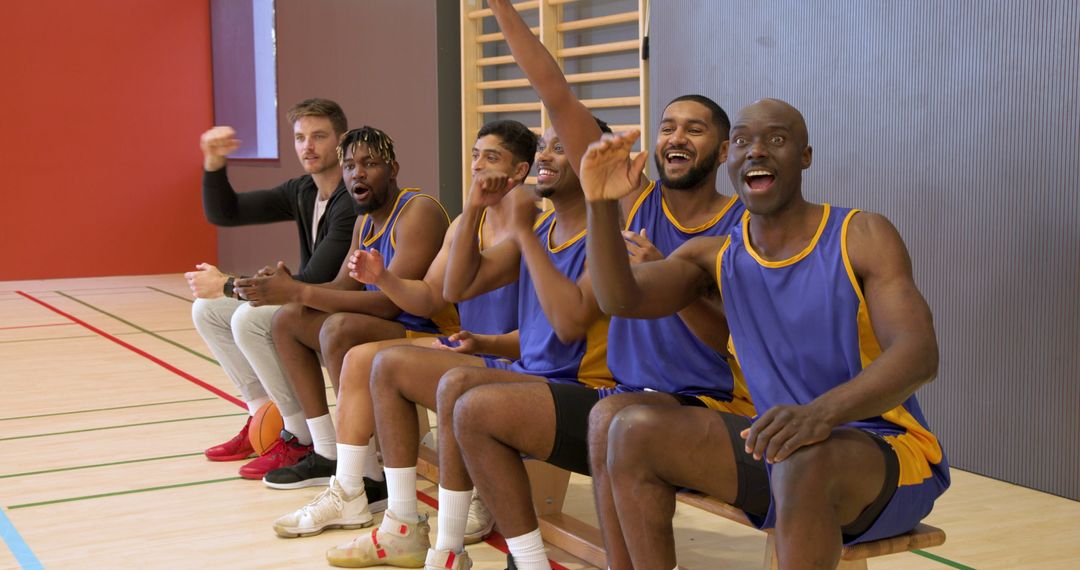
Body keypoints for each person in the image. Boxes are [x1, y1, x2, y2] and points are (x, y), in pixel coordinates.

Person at [447, 4, 755, 569]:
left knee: (614, 423)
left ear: (724, 148)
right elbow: (556, 93)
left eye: (695, 127)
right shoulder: (632, 200)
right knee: (555, 415)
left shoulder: (740, 229)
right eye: (667, 127)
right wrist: (500, 9)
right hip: (626, 392)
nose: (676, 136)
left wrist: (674, 281)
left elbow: (727, 337)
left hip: (708, 399)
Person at [582, 99, 950, 569]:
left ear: (805, 156)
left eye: (775, 139)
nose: (755, 150)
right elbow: (621, 299)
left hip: (884, 452)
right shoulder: (711, 256)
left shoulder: (860, 234)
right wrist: (599, 205)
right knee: (631, 431)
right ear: (728, 159)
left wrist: (820, 414)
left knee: (804, 461)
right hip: (778, 443)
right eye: (741, 141)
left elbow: (919, 353)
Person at [323, 120, 613, 570]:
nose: (546, 156)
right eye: (545, 147)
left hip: (570, 383)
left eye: (562, 146)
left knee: (455, 386)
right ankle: (410, 529)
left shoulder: (587, 233)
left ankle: (457, 541)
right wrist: (474, 210)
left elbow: (568, 326)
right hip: (508, 360)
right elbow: (455, 289)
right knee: (386, 366)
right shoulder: (531, 229)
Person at [269, 119, 530, 542]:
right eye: (475, 156)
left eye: (492, 157)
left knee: (354, 341)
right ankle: (354, 490)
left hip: (506, 349)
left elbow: (441, 300)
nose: (479, 166)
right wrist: (383, 277)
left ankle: (472, 490)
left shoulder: (532, 224)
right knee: (359, 357)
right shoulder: (465, 224)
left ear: (519, 172)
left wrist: (300, 289)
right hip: (468, 343)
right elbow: (430, 293)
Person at [231, 126, 453, 487]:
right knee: (288, 320)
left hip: (431, 331)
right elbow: (339, 288)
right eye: (349, 166)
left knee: (340, 328)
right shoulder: (364, 222)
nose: (357, 173)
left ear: (393, 169)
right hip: (392, 327)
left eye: (369, 164)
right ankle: (327, 452)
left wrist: (299, 292)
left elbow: (387, 306)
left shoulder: (418, 212)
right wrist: (290, 289)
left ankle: (366, 472)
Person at [188, 98, 357, 479]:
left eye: (318, 136)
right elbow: (225, 212)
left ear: (342, 141)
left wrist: (230, 285)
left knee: (249, 317)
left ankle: (299, 437)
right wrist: (214, 162)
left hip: (342, 308)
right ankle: (262, 419)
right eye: (299, 137)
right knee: (206, 310)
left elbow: (315, 279)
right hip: (307, 302)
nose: (307, 146)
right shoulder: (303, 190)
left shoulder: (351, 198)